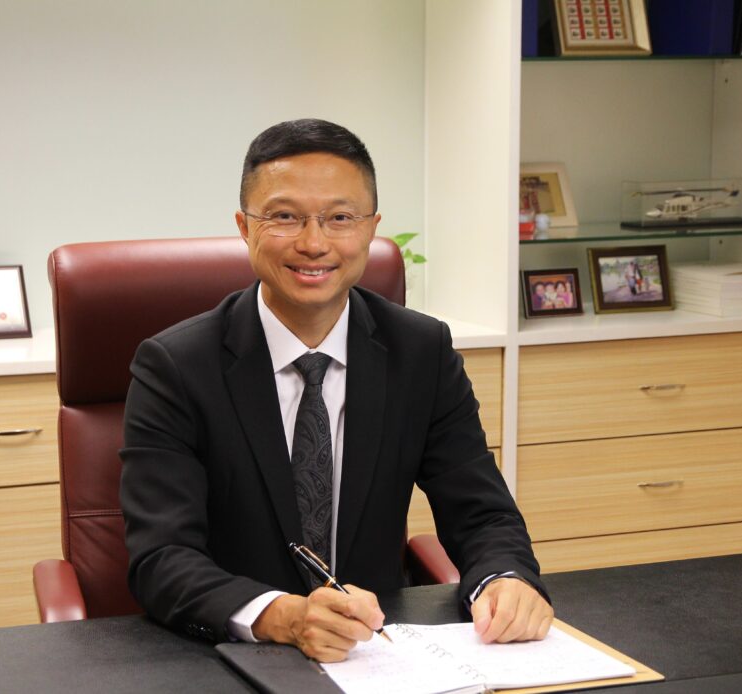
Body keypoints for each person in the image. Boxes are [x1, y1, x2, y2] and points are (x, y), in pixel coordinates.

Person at [120, 119, 552, 663]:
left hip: (376, 656)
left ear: (371, 229)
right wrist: (281, 616)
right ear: (244, 227)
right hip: (232, 657)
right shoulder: (176, 367)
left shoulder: (421, 351)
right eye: (284, 217)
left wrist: (504, 579)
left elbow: (482, 513)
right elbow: (161, 556)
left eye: (340, 218)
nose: (314, 243)